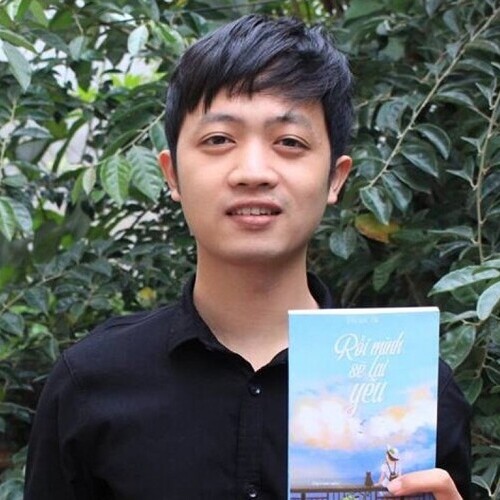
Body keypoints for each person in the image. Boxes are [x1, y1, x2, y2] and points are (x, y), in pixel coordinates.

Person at [24, 14, 471, 500]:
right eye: (219, 140)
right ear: (171, 175)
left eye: (289, 142)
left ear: (335, 178)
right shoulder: (89, 383)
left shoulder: (416, 391)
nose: (253, 171)